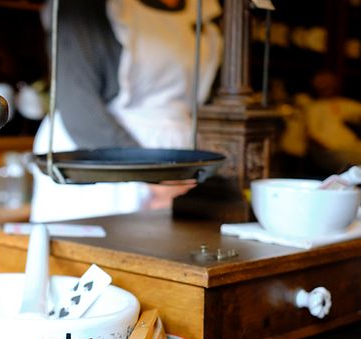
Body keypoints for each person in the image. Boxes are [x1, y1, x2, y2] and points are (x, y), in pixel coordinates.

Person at [31, 0, 222, 223]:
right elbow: (78, 104)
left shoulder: (205, 8)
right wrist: (155, 179)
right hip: (101, 158)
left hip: (177, 164)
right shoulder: (85, 8)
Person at [304, 70, 361, 173]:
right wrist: (326, 148)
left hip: (352, 146)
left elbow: (359, 111)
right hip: (333, 151)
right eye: (322, 84)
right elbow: (312, 133)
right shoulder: (314, 107)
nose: (327, 87)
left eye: (330, 84)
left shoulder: (343, 103)